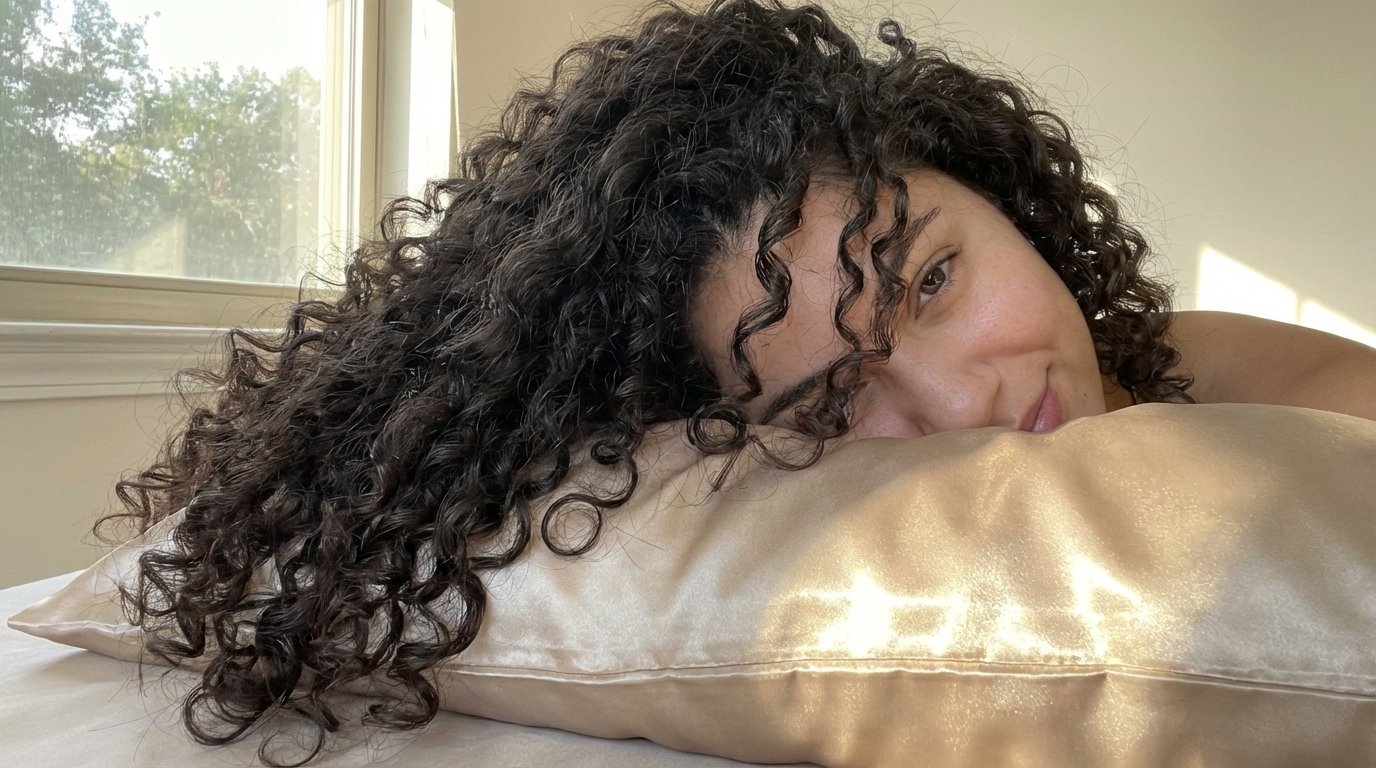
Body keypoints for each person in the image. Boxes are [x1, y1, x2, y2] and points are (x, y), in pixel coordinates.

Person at [102, 0, 1376, 762]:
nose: (957, 406)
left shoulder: (1212, 361)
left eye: (927, 279)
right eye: (831, 404)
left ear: (1003, 195)